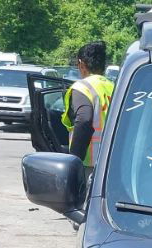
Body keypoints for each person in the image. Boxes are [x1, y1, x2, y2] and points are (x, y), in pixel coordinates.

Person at [61, 41, 115, 171]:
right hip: (112, 160)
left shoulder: (83, 87)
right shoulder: (113, 87)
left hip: (89, 163)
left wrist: (74, 160)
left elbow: (84, 120)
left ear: (81, 64)